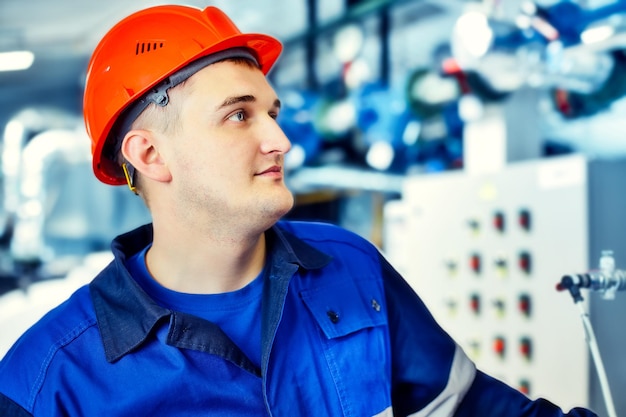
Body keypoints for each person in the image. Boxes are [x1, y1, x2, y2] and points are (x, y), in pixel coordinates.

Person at [0, 5, 598, 417]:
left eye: (273, 113)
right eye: (239, 115)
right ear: (151, 154)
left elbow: (470, 408)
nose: (280, 140)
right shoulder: (48, 380)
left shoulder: (349, 269)